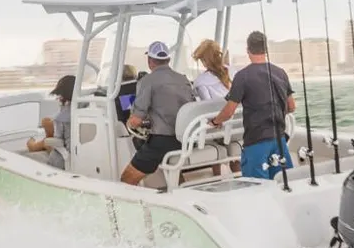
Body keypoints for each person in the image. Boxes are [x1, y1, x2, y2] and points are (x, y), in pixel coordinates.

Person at [209, 31, 296, 179]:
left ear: (248, 50)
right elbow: (292, 106)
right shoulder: (280, 73)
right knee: (283, 183)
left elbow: (229, 111)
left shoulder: (242, 76)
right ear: (266, 49)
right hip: (280, 141)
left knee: (256, 188)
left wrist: (215, 121)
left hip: (256, 142)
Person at [120, 41, 194, 185]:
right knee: (174, 170)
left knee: (126, 180)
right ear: (168, 60)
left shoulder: (147, 81)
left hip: (162, 142)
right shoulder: (183, 79)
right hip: (185, 141)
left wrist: (130, 121)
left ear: (150, 61)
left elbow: (135, 121)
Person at [191, 39, 240, 175]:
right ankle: (237, 174)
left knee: (207, 126)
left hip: (221, 127)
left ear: (205, 61)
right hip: (239, 126)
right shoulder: (233, 72)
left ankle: (217, 176)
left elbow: (208, 108)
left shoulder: (201, 82)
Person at [26, 74, 74, 169]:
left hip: (63, 158)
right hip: (79, 151)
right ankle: (33, 144)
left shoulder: (61, 118)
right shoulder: (83, 110)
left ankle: (32, 145)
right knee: (47, 123)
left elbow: (57, 140)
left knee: (46, 138)